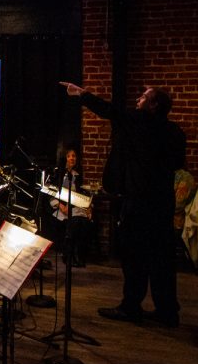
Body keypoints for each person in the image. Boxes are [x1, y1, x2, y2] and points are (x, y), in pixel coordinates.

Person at [61, 82, 186, 327]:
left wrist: (82, 94)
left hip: (139, 202)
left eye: (143, 97)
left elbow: (110, 111)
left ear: (153, 105)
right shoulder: (174, 131)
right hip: (162, 203)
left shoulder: (140, 122)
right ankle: (167, 312)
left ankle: (131, 307)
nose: (138, 100)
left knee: (134, 258)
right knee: (162, 260)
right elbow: (178, 164)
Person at [48, 148, 92, 267]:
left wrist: (88, 208)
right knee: (74, 221)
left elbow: (82, 194)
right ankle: (69, 254)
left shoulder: (77, 175)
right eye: (69, 156)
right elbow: (51, 193)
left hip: (75, 206)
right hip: (62, 206)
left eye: (74, 156)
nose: (72, 158)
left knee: (83, 221)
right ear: (65, 158)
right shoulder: (59, 174)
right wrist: (61, 206)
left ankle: (76, 254)